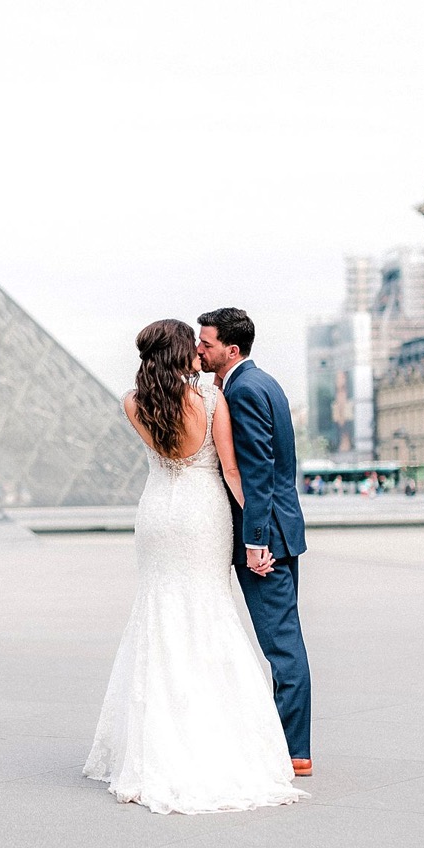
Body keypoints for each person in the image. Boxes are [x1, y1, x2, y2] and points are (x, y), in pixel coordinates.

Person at [84, 319, 305, 814]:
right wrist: (258, 536)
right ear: (182, 352)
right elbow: (230, 470)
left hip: (158, 514)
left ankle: (153, 743)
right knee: (209, 613)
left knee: (158, 616)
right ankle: (217, 735)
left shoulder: (132, 402)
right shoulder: (208, 401)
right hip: (204, 514)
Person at [197, 308, 314, 777]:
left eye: (205, 343)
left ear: (231, 348)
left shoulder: (242, 390)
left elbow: (257, 472)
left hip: (267, 537)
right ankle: (293, 745)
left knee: (282, 645)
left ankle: (294, 751)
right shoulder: (263, 381)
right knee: (284, 641)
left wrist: (255, 542)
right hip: (284, 528)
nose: (198, 350)